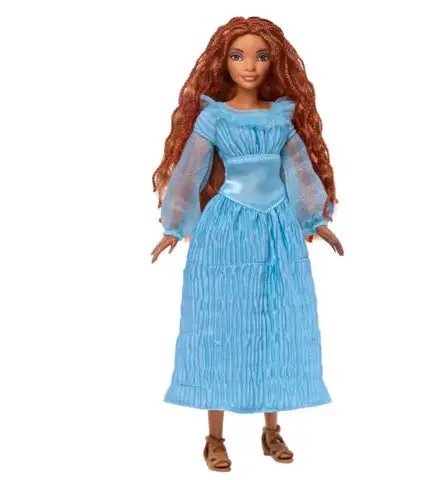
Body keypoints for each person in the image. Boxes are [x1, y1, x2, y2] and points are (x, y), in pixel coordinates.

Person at [151, 16, 344, 472]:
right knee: (219, 323)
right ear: (224, 63)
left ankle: (271, 429)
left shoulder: (281, 117)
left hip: (276, 229)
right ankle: (215, 437)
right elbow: (190, 171)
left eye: (260, 56)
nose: (250, 66)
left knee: (274, 320)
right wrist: (173, 225)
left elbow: (299, 171)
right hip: (226, 229)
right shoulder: (214, 117)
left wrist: (315, 219)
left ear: (275, 63)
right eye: (238, 56)